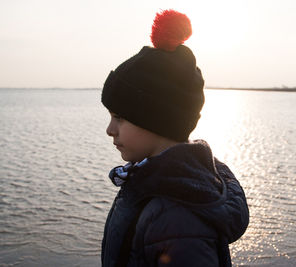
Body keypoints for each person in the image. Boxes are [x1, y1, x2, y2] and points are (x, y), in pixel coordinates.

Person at [101, 9, 249, 267]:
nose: (109, 129)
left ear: (156, 118)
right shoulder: (147, 181)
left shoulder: (178, 217)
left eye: (119, 117)